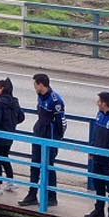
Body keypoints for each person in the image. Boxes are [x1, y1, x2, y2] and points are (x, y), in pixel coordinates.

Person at [22, 72, 65, 208]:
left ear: (41, 84)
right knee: (35, 165)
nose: (34, 87)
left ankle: (52, 197)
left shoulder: (55, 100)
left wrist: (56, 139)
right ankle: (32, 194)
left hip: (50, 136)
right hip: (39, 133)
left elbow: (61, 122)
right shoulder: (40, 96)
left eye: (35, 84)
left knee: (48, 167)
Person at [0, 77, 25, 190]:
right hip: (9, 135)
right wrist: (12, 124)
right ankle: (10, 182)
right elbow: (21, 117)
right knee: (5, 157)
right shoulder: (14, 101)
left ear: (2, 89)